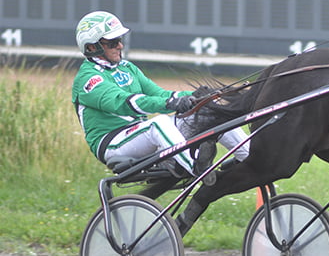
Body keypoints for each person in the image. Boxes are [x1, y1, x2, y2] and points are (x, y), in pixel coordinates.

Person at [71, 10, 249, 185]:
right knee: (160, 123)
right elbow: (123, 103)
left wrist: (199, 96)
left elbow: (161, 94)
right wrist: (172, 103)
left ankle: (252, 159)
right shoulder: (88, 79)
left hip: (138, 133)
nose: (120, 46)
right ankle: (196, 170)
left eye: (120, 40)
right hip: (112, 143)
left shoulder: (128, 68)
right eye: (113, 42)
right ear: (92, 47)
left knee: (212, 111)